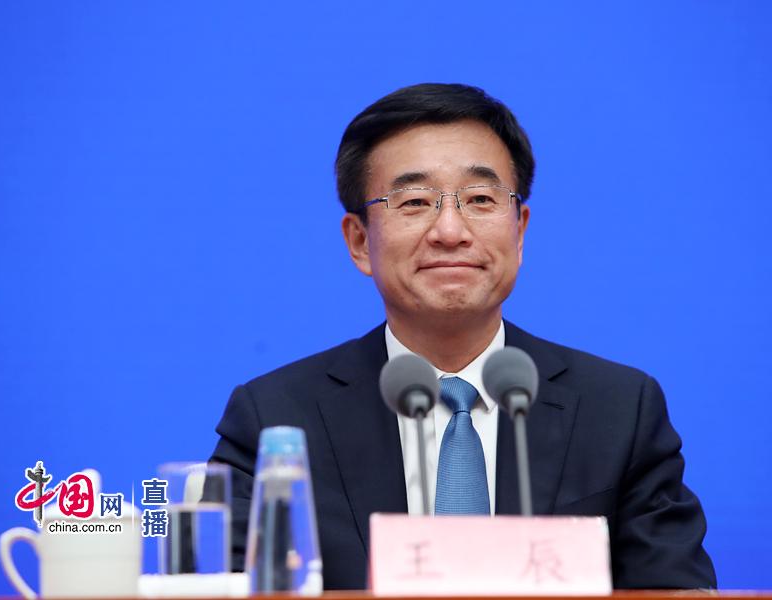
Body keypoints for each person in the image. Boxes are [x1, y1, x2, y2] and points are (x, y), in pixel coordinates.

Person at [210, 83, 716, 590]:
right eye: (414, 202)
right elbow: (210, 584)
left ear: (519, 230)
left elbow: (676, 589)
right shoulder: (274, 419)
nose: (450, 231)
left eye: (479, 199)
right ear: (359, 241)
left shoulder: (619, 410)